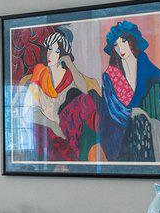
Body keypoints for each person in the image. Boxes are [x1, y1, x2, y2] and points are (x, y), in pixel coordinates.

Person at [96, 19, 160, 163]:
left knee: (142, 122)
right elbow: (112, 108)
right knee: (139, 121)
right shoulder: (110, 75)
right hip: (116, 128)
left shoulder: (143, 63)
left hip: (140, 123)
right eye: (116, 45)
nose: (120, 48)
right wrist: (132, 112)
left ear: (132, 42)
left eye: (124, 42)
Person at [17, 27, 99, 162]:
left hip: (67, 131)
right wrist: (52, 125)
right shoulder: (40, 74)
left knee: (83, 99)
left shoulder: (69, 75)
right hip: (45, 128)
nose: (51, 55)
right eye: (49, 49)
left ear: (64, 54)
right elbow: (29, 112)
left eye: (57, 51)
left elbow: (85, 92)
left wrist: (70, 64)